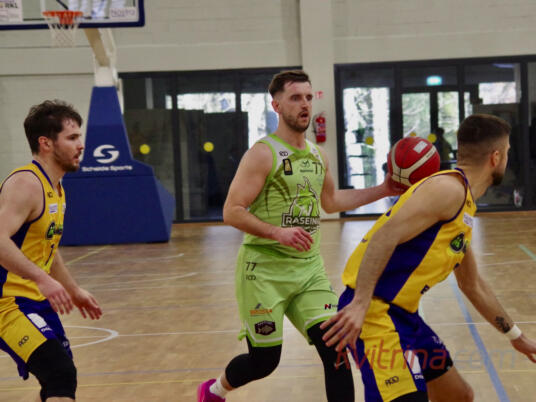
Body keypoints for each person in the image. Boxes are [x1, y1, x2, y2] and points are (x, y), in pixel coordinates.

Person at [197, 70, 401, 402]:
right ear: (276, 105)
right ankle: (214, 391)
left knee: (336, 348)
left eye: (308, 97)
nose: (304, 104)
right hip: (263, 272)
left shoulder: (318, 155)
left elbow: (331, 202)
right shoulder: (263, 153)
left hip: (308, 271)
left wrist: (383, 189)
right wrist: (276, 232)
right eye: (295, 98)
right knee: (264, 362)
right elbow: (231, 211)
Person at [321, 114, 536, 402]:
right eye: (507, 152)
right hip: (374, 313)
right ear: (495, 157)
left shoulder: (462, 204)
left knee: (458, 396)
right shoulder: (448, 189)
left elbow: (473, 285)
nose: (507, 158)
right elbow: (384, 236)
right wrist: (360, 303)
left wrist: (517, 337)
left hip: (403, 316)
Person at [0, 100, 103, 401]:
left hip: (33, 300)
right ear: (46, 143)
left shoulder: (56, 188)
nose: (81, 145)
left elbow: (47, 248)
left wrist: (73, 289)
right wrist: (42, 279)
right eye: (72, 138)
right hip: (6, 302)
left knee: (58, 380)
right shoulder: (26, 183)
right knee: (59, 373)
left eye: (79, 136)